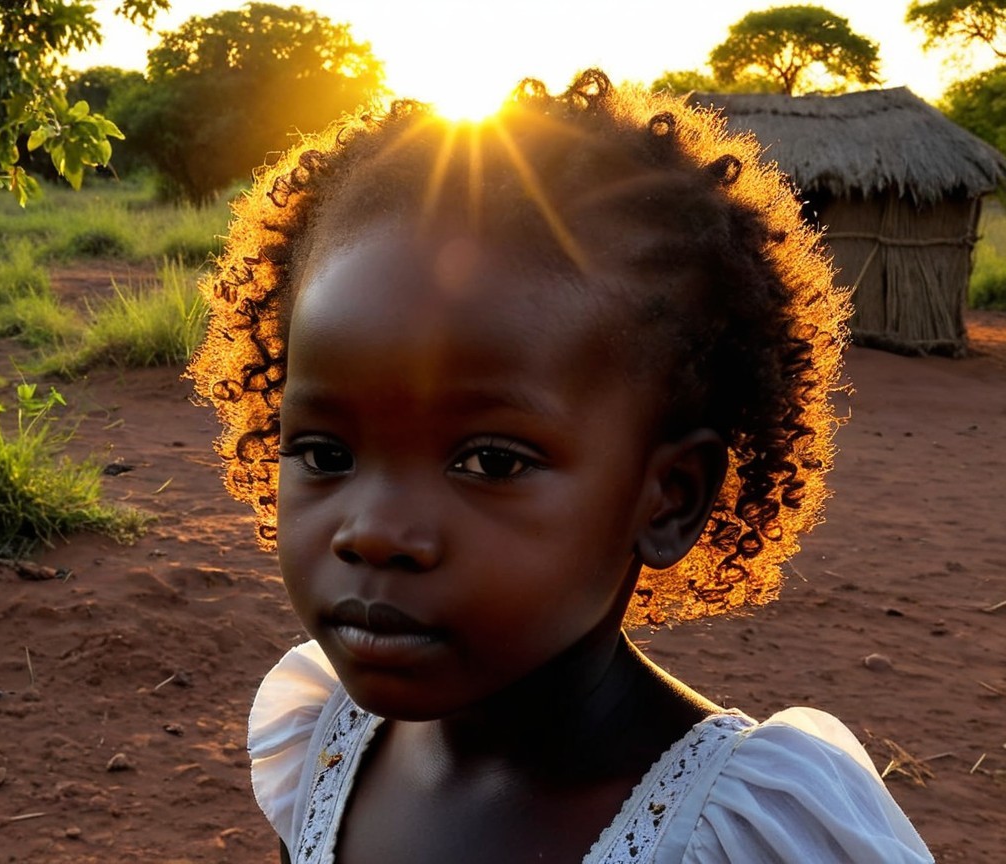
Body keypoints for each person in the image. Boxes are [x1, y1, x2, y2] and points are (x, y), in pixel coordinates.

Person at [187, 70, 933, 863]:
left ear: (669, 499)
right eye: (326, 454)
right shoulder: (325, 744)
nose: (371, 533)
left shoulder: (743, 837)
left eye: (490, 462)